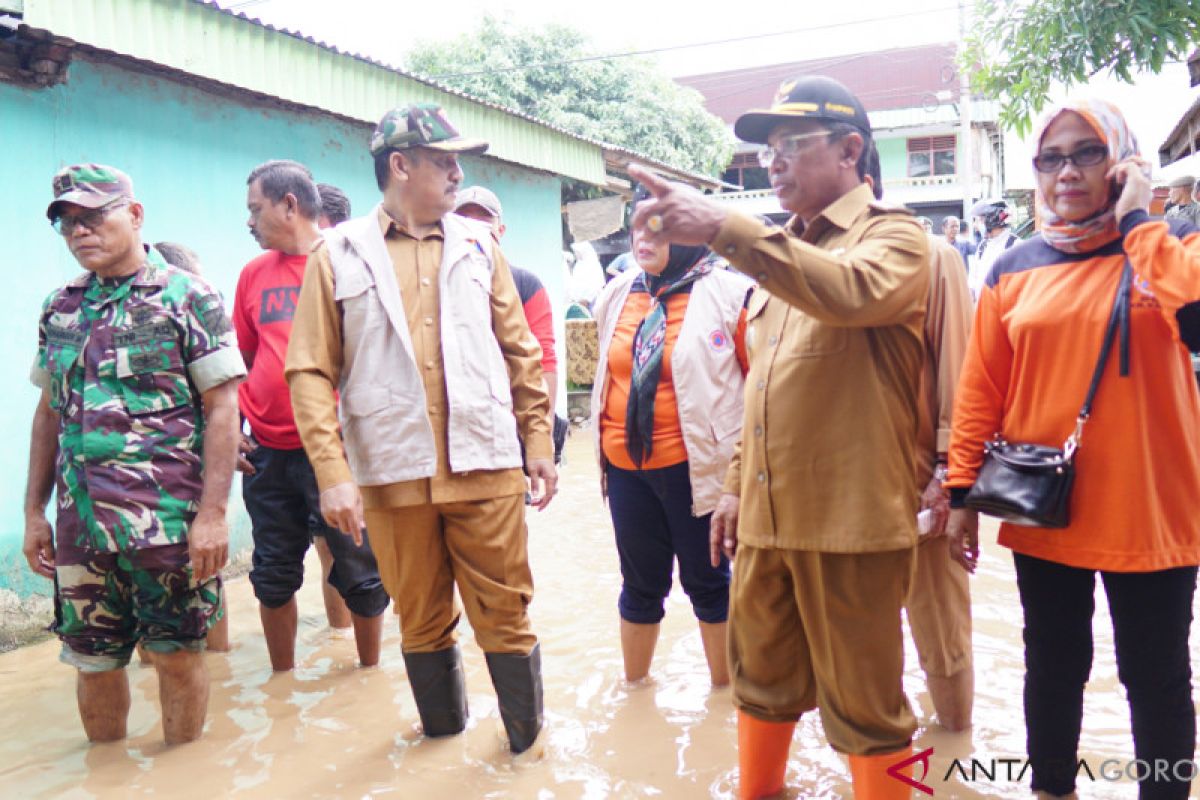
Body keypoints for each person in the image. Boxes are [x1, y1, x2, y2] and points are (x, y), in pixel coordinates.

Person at [628, 74, 929, 799]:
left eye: (792, 145)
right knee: (759, 683)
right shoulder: (778, 257)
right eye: (768, 151)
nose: (774, 162)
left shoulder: (894, 239)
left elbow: (846, 291)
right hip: (768, 522)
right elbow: (761, 390)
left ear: (851, 150)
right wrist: (734, 489)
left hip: (850, 524)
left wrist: (722, 227)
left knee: (870, 709)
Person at [946, 98, 1200, 800]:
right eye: (1051, 157)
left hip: (1152, 508)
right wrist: (961, 493)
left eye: (1088, 153)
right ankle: (1052, 791)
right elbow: (981, 389)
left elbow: (1195, 319)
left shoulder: (1174, 242)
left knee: (1157, 676)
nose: (1067, 172)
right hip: (1043, 505)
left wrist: (1140, 222)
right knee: (1052, 666)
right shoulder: (1014, 265)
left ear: (1123, 163)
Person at [285, 104, 556, 755]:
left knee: (507, 615)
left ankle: (525, 752)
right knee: (422, 620)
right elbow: (309, 370)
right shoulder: (338, 252)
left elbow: (520, 352)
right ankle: (443, 745)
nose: (458, 172)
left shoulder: (480, 245)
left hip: (486, 466)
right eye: (444, 161)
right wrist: (333, 477)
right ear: (400, 166)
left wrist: (538, 443)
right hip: (393, 473)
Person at [24, 164, 245, 744]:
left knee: (176, 653)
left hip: (166, 523)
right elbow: (49, 411)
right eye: (68, 222)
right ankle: (109, 773)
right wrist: (33, 514)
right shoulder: (60, 308)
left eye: (94, 216)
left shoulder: (187, 297)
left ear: (135, 215)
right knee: (91, 662)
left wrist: (214, 514)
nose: (80, 231)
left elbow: (224, 408)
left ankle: (182, 775)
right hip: (81, 526)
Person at [590, 185, 753, 686]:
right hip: (626, 471)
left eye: (657, 227)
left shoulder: (732, 296)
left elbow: (761, 390)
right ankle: (634, 691)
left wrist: (739, 480)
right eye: (637, 226)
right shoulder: (617, 294)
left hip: (696, 472)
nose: (642, 238)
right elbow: (608, 374)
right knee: (639, 585)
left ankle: (724, 700)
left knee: (709, 583)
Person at [235, 160, 388, 672]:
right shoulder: (253, 275)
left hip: (339, 452)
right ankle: (283, 681)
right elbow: (244, 359)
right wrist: (235, 430)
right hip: (267, 453)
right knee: (272, 573)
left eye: (255, 209)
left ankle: (368, 676)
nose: (249, 222)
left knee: (361, 572)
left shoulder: (349, 265)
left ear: (290, 206)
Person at [862, 153, 976, 732]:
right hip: (849, 493)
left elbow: (959, 370)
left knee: (941, 634)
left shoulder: (936, 259)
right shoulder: (813, 262)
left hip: (919, 483)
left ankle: (955, 755)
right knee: (865, 646)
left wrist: (948, 474)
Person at [151, 240, 231, 655]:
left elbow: (225, 398)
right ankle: (217, 658)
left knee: (204, 567)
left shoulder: (198, 303)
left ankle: (217, 658)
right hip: (161, 470)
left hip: (191, 468)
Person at [312, 183, 357, 633]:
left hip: (359, 434)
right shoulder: (266, 273)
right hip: (311, 435)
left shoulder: (354, 269)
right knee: (328, 543)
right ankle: (341, 637)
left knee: (361, 545)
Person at [966, 199, 1019, 300]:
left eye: (981, 220)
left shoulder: (1015, 245)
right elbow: (973, 279)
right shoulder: (983, 246)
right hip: (981, 308)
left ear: (992, 219)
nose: (976, 225)